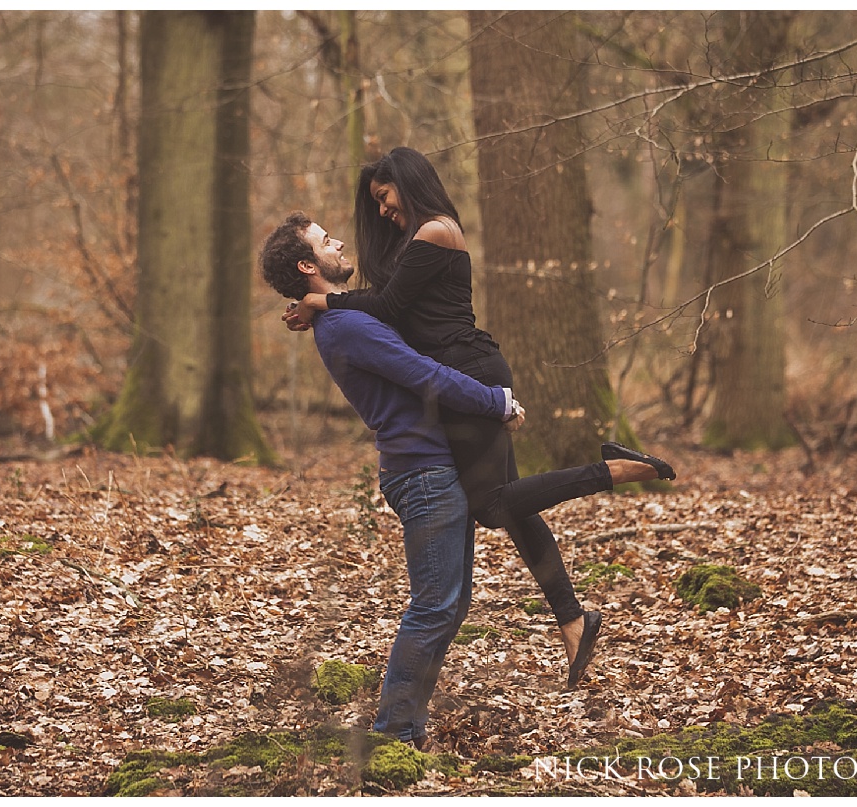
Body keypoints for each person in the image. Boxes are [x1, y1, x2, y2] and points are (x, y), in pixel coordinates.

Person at [259, 212, 671, 744]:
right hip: (422, 472)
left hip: (431, 466)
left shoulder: (340, 317)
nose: (338, 241)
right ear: (307, 263)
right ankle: (392, 734)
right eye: (324, 241)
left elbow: (390, 309)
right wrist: (494, 400)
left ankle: (405, 727)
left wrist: (313, 303)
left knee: (449, 605)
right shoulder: (347, 326)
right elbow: (422, 373)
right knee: (434, 607)